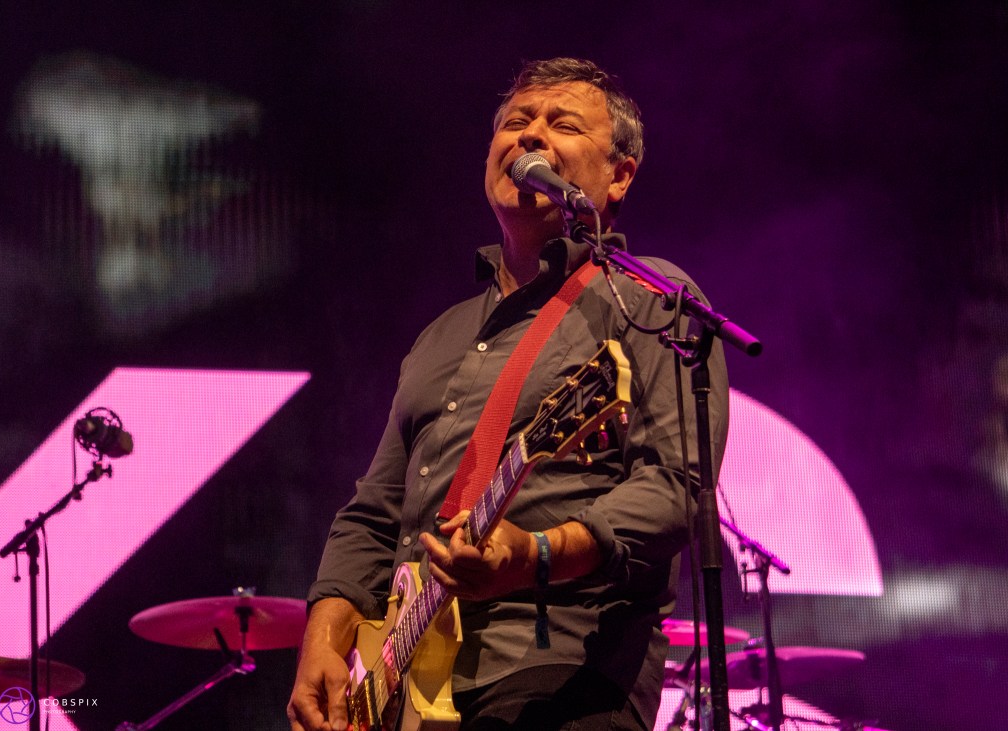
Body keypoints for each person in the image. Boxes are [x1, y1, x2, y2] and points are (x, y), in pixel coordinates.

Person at [287, 57, 729, 731]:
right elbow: (374, 514)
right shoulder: (439, 337)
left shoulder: (649, 300)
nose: (530, 135)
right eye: (516, 121)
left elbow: (675, 487)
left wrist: (535, 555)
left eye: (563, 124)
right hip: (408, 692)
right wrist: (324, 637)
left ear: (619, 176)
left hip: (563, 672)